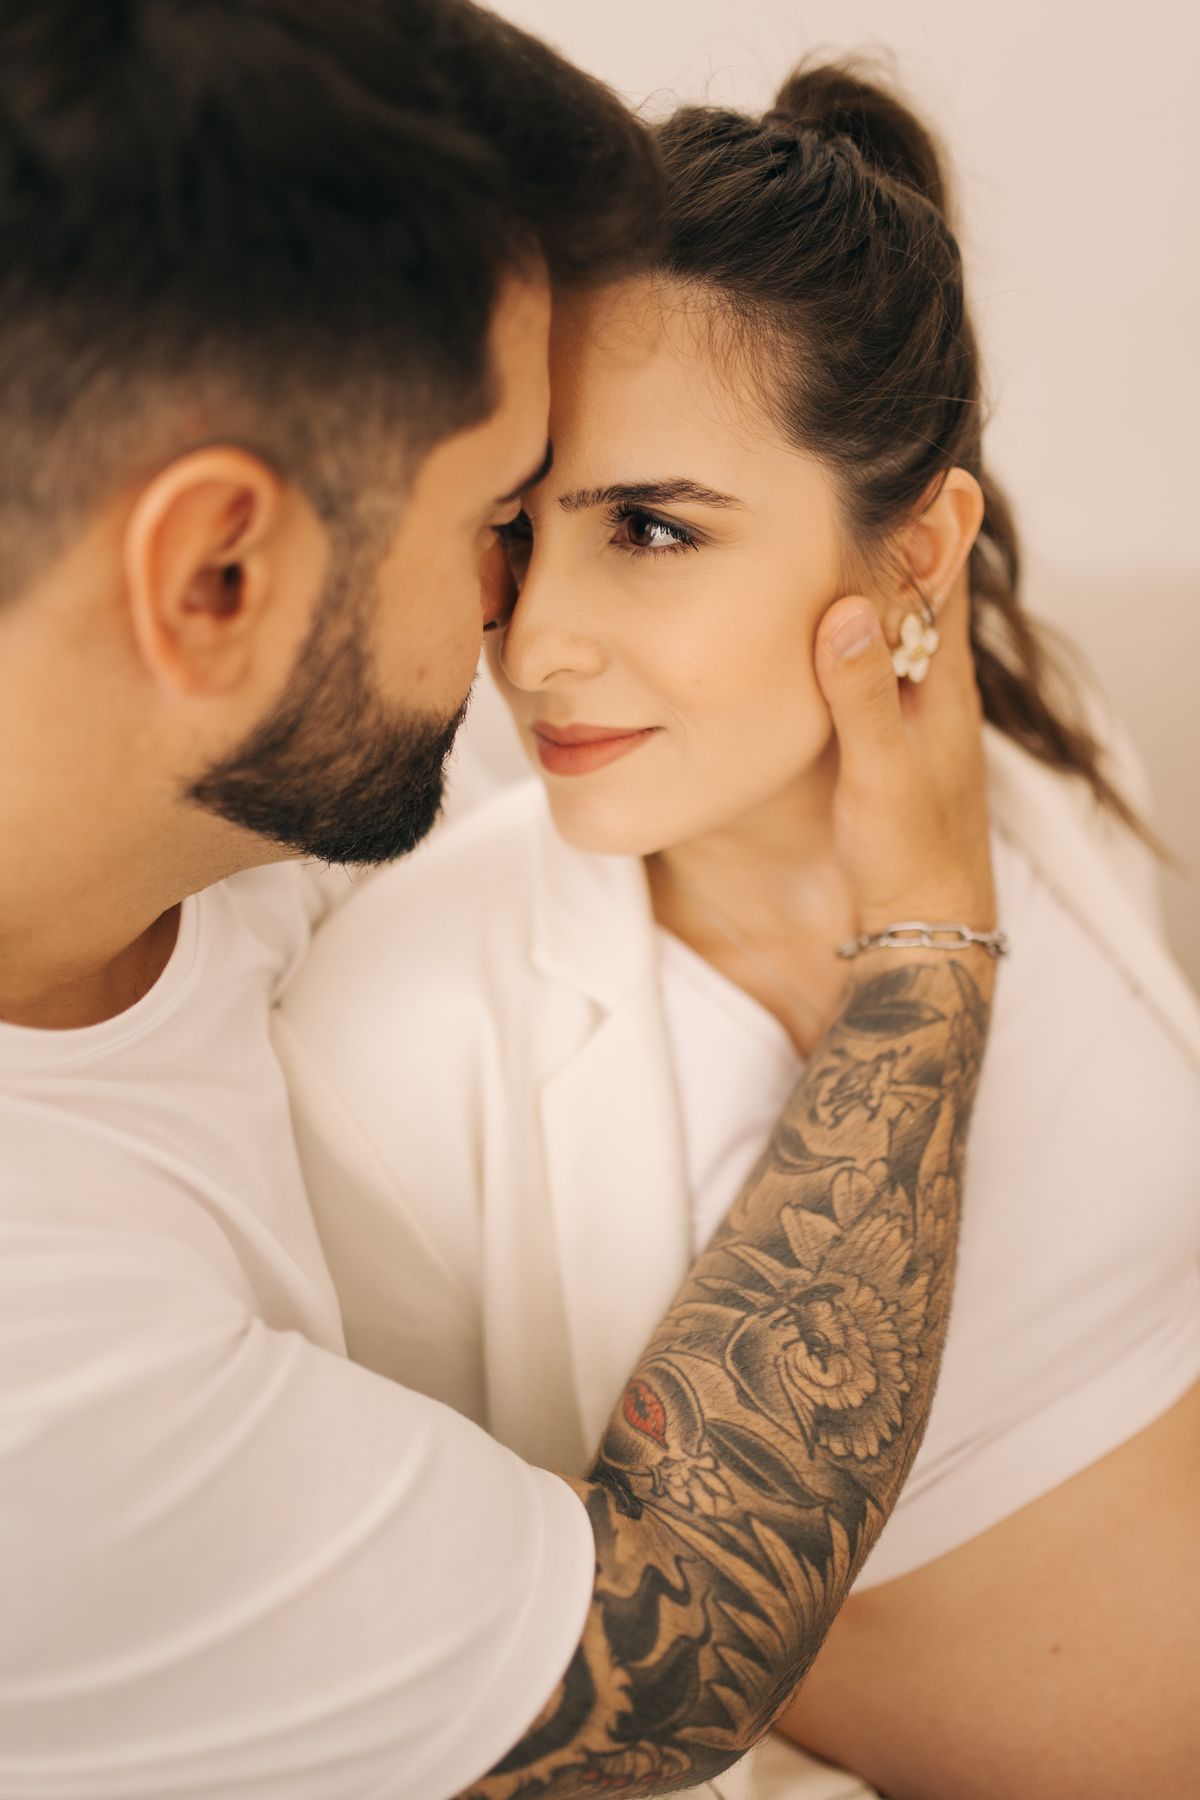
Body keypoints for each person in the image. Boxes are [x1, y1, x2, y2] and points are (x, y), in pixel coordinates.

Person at [0, 8, 1003, 1798]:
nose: (519, 634)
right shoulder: (40, 1365)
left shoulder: (254, 792)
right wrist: (930, 947)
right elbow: (662, 1654)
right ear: (215, 575)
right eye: (493, 519)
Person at [276, 65, 1200, 1800]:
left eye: (647, 528)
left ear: (916, 553)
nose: (538, 640)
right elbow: (452, 1706)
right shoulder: (394, 1041)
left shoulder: (1049, 766)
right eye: (514, 528)